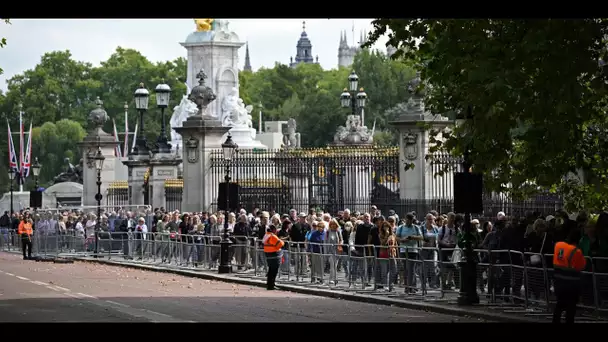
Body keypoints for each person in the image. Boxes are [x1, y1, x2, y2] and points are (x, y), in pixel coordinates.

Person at [552, 222, 586, 324]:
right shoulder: (577, 251)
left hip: (558, 282)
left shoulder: (559, 246)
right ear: (578, 239)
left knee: (559, 306)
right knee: (570, 309)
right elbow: (582, 266)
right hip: (572, 284)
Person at [263, 224, 284, 290]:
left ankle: (269, 284)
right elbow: (280, 244)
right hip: (274, 255)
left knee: (270, 270)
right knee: (274, 271)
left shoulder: (266, 235)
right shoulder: (272, 236)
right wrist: (282, 241)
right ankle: (271, 285)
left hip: (268, 254)